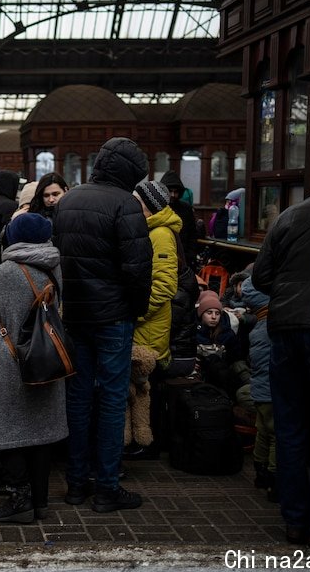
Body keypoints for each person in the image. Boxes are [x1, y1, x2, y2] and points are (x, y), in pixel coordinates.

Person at [53, 137, 153, 513]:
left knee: (78, 400)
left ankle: (76, 484)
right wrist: (136, 310)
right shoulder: (126, 204)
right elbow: (138, 268)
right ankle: (107, 488)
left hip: (76, 314)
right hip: (113, 317)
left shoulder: (68, 200)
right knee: (112, 401)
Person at [252, 168, 310, 551]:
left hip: (285, 328)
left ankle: (295, 522)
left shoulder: (290, 215)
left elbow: (261, 277)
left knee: (291, 427)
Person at [0, 213, 69, 523]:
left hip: (10, 364)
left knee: (7, 431)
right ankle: (40, 502)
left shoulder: (10, 271)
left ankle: (20, 499)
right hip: (45, 361)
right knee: (39, 435)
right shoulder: (52, 266)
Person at [125, 180, 180, 458]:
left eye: (135, 199)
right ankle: (140, 442)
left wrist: (135, 311)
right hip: (143, 325)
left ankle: (148, 446)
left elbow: (164, 286)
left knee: (146, 390)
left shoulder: (160, 234)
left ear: (147, 204)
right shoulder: (148, 230)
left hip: (148, 327)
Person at [240, 276, 276, 503]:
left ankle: (260, 472)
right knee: (276, 434)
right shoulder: (271, 331)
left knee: (263, 428)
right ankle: (274, 477)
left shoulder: (259, 328)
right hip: (271, 390)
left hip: (260, 389)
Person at [159, 170, 197, 270]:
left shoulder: (186, 208)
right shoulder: (157, 207)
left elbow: (192, 234)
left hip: (183, 257)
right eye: (170, 191)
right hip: (162, 256)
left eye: (176, 192)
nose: (173, 195)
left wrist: (190, 256)